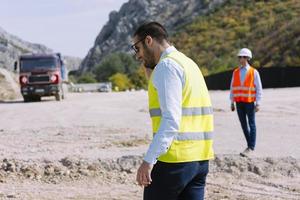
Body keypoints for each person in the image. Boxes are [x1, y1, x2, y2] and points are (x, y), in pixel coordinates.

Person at [132, 22, 214, 200]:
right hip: (200, 160)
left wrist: (148, 161)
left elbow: (170, 120)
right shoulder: (188, 63)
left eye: (136, 48)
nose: (137, 55)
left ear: (148, 40)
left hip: (175, 161)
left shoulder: (167, 67)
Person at [230, 48, 263, 157]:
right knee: (244, 125)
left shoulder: (254, 72)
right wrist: (232, 102)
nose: (240, 59)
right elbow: (232, 87)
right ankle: (249, 145)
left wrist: (258, 103)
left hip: (249, 102)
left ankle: (251, 147)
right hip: (239, 102)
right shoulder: (235, 72)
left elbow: (259, 88)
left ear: (248, 58)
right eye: (239, 57)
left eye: (243, 57)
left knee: (251, 124)